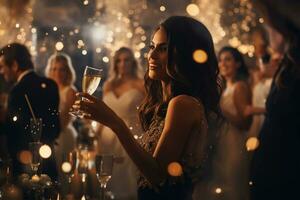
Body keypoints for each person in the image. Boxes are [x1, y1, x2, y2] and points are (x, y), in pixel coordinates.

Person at [73, 16, 222, 199]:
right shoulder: (166, 103)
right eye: (152, 47)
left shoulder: (183, 104)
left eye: (163, 48)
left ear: (182, 54)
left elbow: (158, 176)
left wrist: (116, 123)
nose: (151, 55)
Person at [250, 0, 300, 199]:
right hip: (272, 171)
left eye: (270, 26)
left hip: (287, 175)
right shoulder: (288, 64)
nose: (267, 33)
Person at [0, 43, 60, 181]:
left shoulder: (16, 91)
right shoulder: (51, 85)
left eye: (2, 66)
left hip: (25, 169)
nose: (1, 71)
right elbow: (55, 129)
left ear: (14, 65)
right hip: (49, 165)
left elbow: (13, 136)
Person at [97, 47, 144, 199]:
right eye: (119, 60)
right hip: (107, 137)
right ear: (115, 64)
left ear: (133, 63)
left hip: (130, 133)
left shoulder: (141, 85)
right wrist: (95, 137)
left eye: (126, 60)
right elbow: (103, 113)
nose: (122, 64)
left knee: (128, 177)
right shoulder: (108, 85)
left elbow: (148, 112)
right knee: (108, 177)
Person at [215, 46, 252, 200]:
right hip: (224, 143)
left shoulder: (240, 87)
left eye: (228, 59)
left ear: (237, 63)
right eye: (221, 60)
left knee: (234, 186)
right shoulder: (225, 88)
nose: (223, 63)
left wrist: (222, 111)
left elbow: (245, 123)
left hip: (235, 142)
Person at [45, 53, 78, 178]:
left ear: (67, 72)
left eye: (61, 69)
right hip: (50, 135)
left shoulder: (70, 91)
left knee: (63, 174)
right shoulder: (47, 89)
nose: (57, 73)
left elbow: (63, 122)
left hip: (63, 135)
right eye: (54, 69)